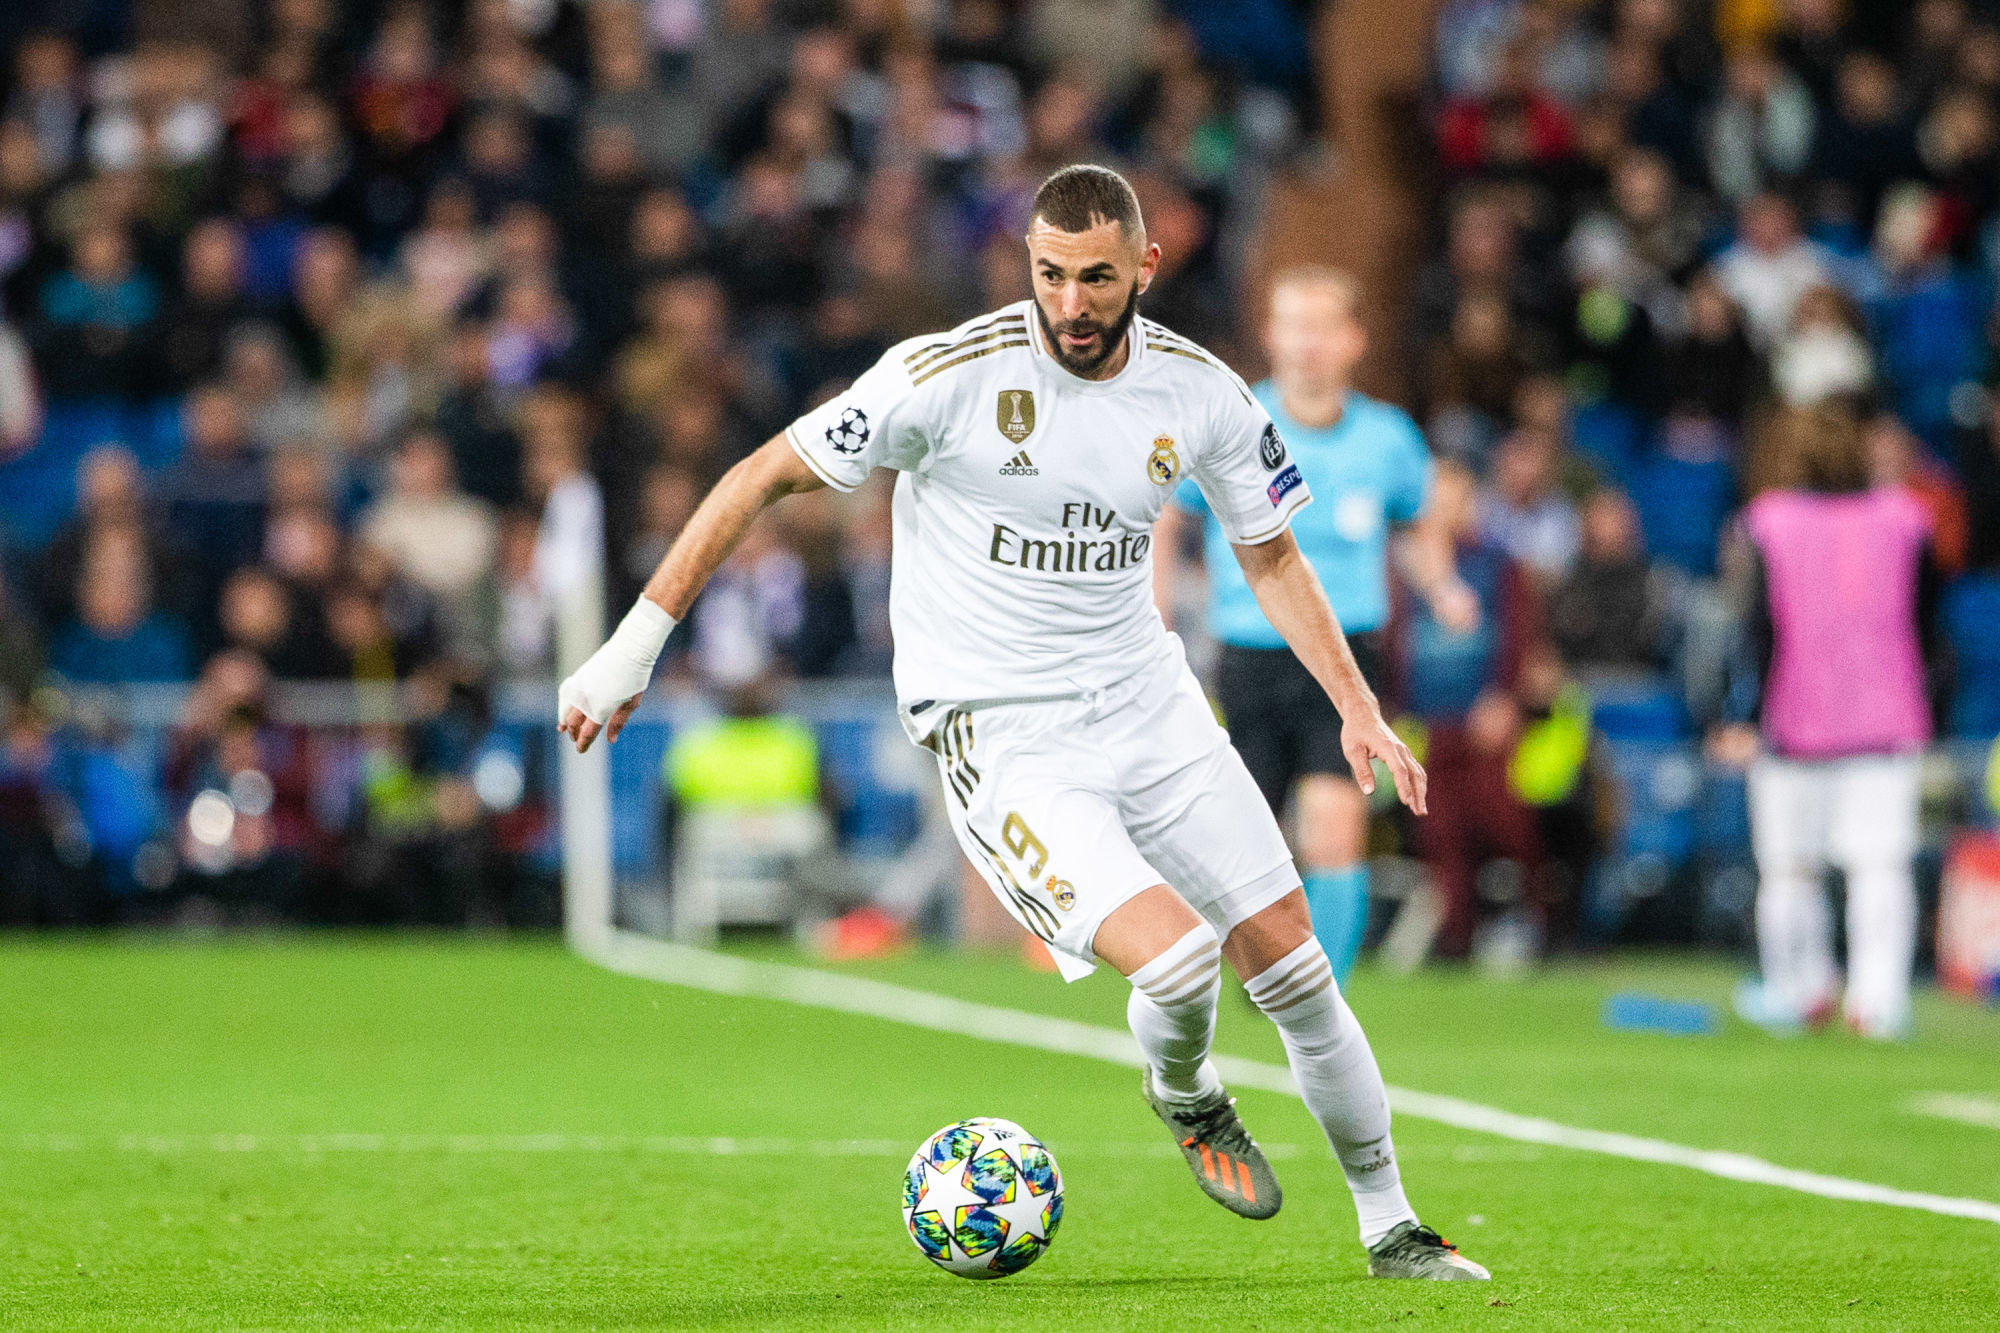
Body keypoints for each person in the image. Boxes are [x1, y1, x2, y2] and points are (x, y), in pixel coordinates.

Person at [557, 165, 1489, 1281]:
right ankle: (1186, 1090)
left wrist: (1357, 704)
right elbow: (758, 476)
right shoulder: (944, 376)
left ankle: (1392, 1227)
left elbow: (1272, 555)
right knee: (1180, 962)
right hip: (1004, 733)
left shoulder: (1201, 393)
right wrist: (630, 650)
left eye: (1096, 277)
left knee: (1295, 966)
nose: (1070, 303)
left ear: (1145, 267)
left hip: (1148, 703)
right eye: (1050, 274)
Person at [1155, 266, 1469, 983]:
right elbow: (1171, 517)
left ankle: (1323, 995)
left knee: (1334, 829)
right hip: (1248, 653)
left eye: (1323, 327)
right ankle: (1251, 973)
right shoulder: (1234, 421)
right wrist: (1158, 612)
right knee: (1244, 838)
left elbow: (1416, 529)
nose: (1308, 344)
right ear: (1271, 336)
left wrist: (1443, 587)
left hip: (1347, 658)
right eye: (1295, 326)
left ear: (1354, 339)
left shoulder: (1388, 439)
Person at [1722, 406, 1938, 1040]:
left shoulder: (1767, 522)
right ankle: (1878, 1002)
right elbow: (1929, 621)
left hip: (1795, 719)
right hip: (1885, 716)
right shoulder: (1907, 519)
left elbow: (1754, 629)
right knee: (1881, 866)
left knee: (1790, 868)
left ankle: (1799, 991)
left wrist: (1742, 715)